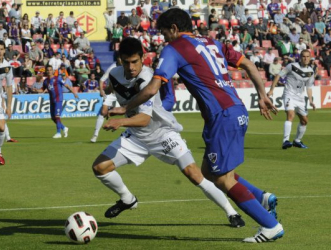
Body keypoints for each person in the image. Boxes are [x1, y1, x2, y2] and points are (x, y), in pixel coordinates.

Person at [108, 9, 284, 243]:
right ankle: (262, 198)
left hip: (222, 115)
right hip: (235, 110)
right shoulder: (213, 42)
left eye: (164, 33)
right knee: (210, 172)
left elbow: (151, 89)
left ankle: (271, 226)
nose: (164, 39)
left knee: (222, 179)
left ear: (173, 29)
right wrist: (262, 95)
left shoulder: (175, 48)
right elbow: (250, 65)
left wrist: (124, 107)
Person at [92, 38, 245, 228]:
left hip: (162, 133)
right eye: (126, 62)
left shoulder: (148, 78)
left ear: (143, 58)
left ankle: (231, 213)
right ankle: (127, 199)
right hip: (137, 136)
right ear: (120, 61)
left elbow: (144, 119)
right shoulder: (115, 74)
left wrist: (120, 120)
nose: (131, 67)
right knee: (100, 167)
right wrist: (108, 98)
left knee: (193, 174)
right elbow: (112, 87)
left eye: (135, 61)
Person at [268, 50, 315, 149]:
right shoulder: (291, 66)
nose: (305, 58)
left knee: (304, 121)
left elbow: (309, 87)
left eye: (307, 56)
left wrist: (310, 100)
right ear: (300, 57)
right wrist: (272, 90)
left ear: (310, 58)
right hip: (289, 94)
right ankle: (285, 141)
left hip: (300, 98)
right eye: (303, 56)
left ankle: (297, 141)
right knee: (290, 115)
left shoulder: (311, 71)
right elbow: (278, 75)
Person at [42, 65, 78, 138]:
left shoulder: (57, 78)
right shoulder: (46, 81)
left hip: (58, 99)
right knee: (53, 118)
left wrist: (74, 93)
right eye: (47, 70)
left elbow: (67, 85)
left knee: (57, 116)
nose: (49, 71)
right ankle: (64, 128)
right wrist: (35, 90)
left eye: (50, 70)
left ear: (52, 71)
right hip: (52, 100)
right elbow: (42, 90)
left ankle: (58, 133)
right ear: (46, 71)